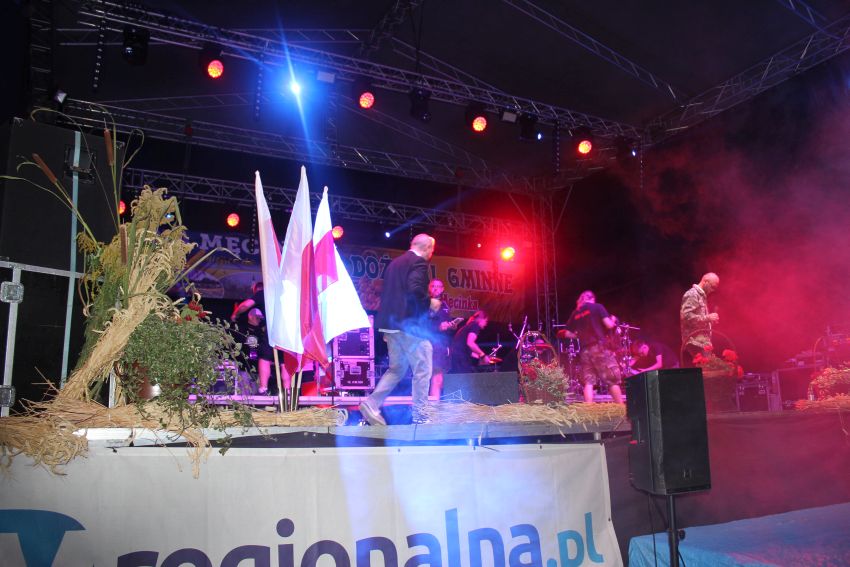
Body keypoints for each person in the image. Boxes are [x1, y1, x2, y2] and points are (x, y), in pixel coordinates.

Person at [359, 234, 437, 426]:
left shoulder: (394, 263)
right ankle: (421, 416)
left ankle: (371, 403)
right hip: (408, 325)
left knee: (397, 369)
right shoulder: (418, 262)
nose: (431, 254)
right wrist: (430, 302)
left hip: (390, 325)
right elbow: (415, 288)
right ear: (427, 248)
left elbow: (390, 294)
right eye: (432, 250)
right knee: (422, 368)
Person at [560, 291, 623, 404]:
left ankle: (589, 410)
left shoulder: (576, 313)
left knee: (589, 382)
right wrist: (613, 320)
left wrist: (579, 335)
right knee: (612, 380)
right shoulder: (597, 307)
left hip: (585, 351)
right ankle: (621, 409)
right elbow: (609, 325)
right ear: (592, 298)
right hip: (599, 348)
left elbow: (566, 333)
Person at [427, 279, 461, 398]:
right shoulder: (425, 304)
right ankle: (432, 407)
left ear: (442, 289)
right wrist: (438, 327)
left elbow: (446, 323)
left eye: (438, 286)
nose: (435, 288)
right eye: (433, 286)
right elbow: (421, 325)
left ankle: (434, 404)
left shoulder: (445, 305)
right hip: (431, 344)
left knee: (440, 379)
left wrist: (452, 325)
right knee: (435, 377)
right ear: (429, 288)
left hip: (443, 345)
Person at [680, 272, 720, 365]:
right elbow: (686, 316)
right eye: (712, 287)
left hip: (701, 341)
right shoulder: (692, 294)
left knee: (709, 368)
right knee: (708, 368)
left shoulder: (701, 296)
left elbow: (698, 319)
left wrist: (710, 321)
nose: (713, 290)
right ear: (705, 281)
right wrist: (707, 318)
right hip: (695, 341)